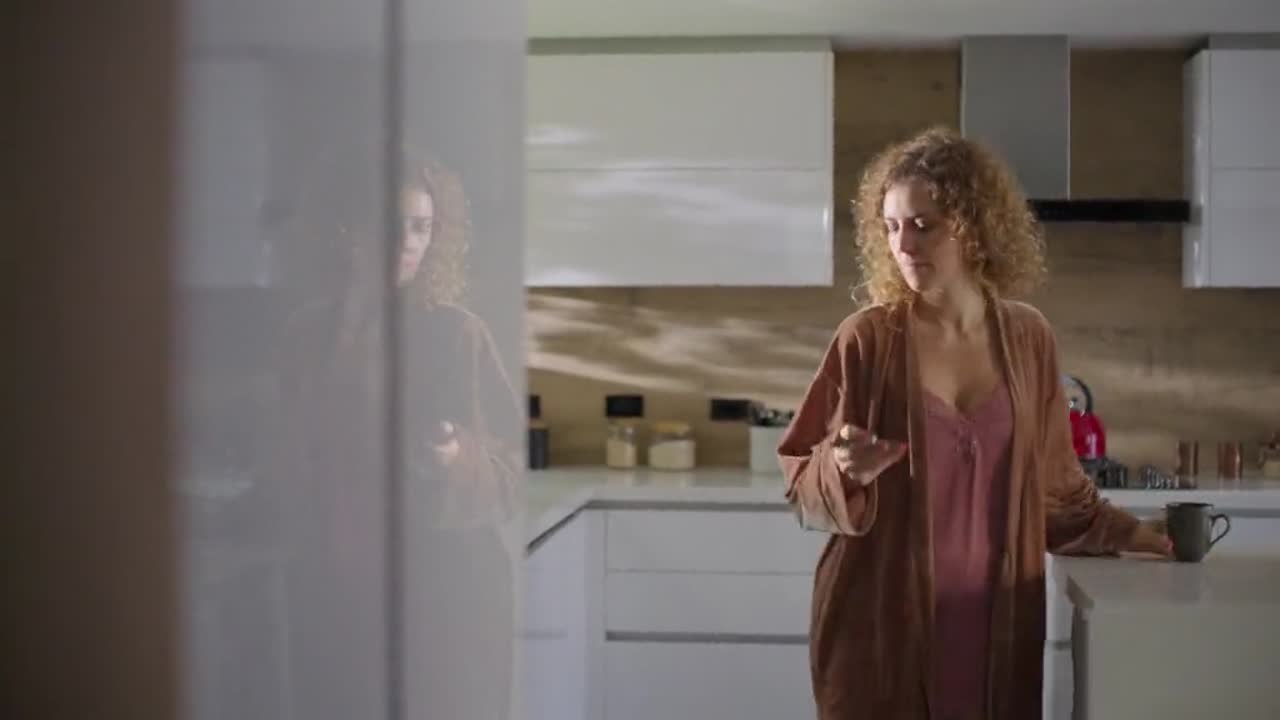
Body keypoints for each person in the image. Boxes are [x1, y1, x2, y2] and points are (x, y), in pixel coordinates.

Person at [777, 126, 1171, 720]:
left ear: (973, 226)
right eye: (891, 226)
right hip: (882, 630)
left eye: (923, 224)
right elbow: (800, 480)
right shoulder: (866, 340)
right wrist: (841, 468)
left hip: (996, 628)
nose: (903, 244)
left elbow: (1058, 495)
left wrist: (1139, 535)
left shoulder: (1028, 339)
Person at [275, 151, 520, 720]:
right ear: (349, 230)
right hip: (333, 585)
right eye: (393, 224)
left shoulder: (458, 334)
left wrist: (456, 458)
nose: (408, 242)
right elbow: (287, 454)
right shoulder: (305, 335)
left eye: (421, 227)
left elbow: (513, 468)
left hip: (442, 596)